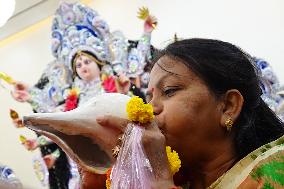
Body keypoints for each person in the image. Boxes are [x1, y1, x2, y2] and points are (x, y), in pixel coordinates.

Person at [78, 38, 284, 188]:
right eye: (149, 98)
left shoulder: (274, 172)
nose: (150, 109)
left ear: (228, 106)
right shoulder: (178, 181)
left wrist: (159, 180)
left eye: (169, 91)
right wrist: (97, 175)